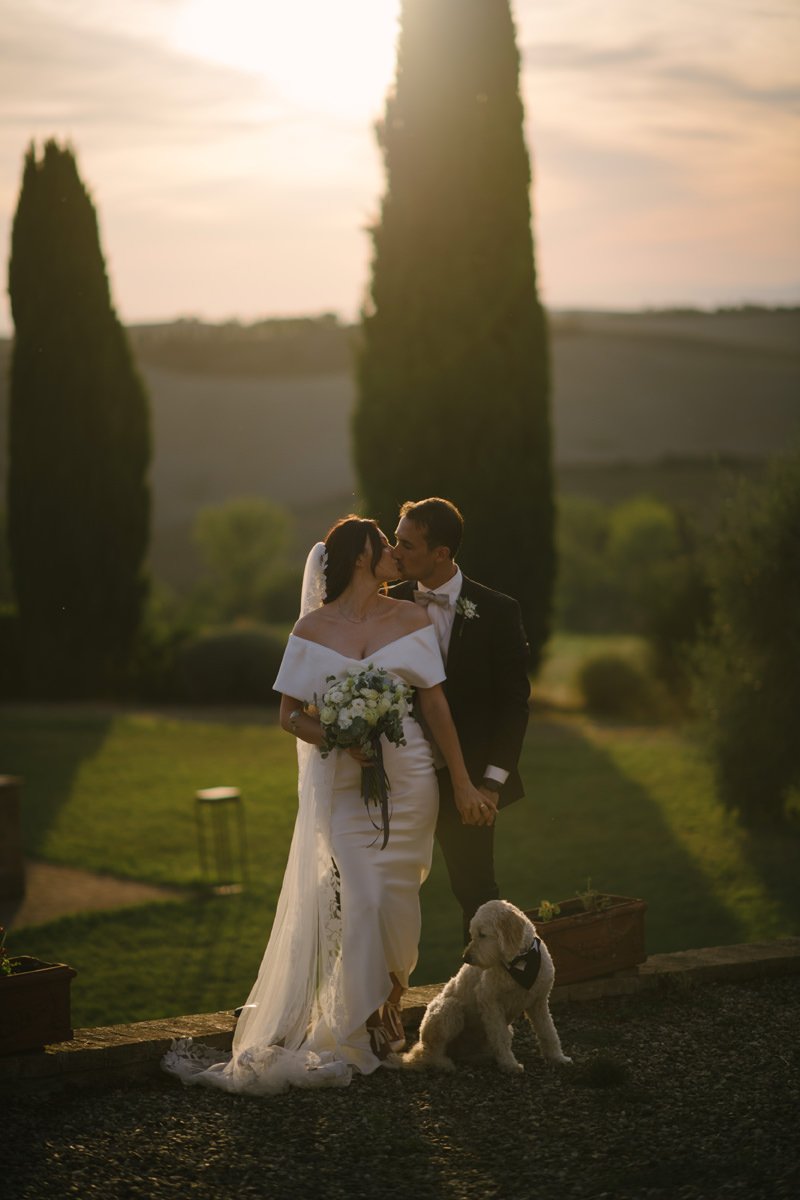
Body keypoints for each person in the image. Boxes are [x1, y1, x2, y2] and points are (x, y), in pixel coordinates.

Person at [162, 515, 488, 1095]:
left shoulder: (411, 618)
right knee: (360, 897)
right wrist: (337, 736)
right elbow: (288, 714)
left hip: (410, 780)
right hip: (343, 784)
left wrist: (461, 781)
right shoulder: (311, 630)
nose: (393, 551)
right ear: (360, 556)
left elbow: (434, 706)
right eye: (383, 544)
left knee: (397, 903)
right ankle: (357, 1032)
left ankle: (388, 1004)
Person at [392, 498, 531, 943]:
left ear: (442, 554)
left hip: (469, 782)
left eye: (406, 544)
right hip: (397, 775)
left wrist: (489, 783)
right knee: (382, 889)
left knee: (476, 894)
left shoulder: (497, 610)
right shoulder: (385, 605)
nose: (395, 552)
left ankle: (485, 999)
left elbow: (514, 704)